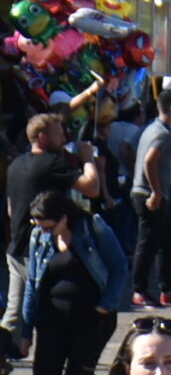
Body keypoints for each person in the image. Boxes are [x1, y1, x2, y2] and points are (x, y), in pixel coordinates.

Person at [25, 189, 130, 375]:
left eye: (47, 225)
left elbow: (119, 267)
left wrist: (106, 305)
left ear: (63, 218)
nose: (42, 230)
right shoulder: (39, 238)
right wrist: (25, 328)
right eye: (38, 225)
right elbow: (32, 283)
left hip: (90, 318)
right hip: (50, 319)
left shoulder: (92, 228)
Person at [7, 113, 103, 340]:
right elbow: (92, 188)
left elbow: (11, 209)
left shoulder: (16, 164)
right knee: (51, 311)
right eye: (58, 133)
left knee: (14, 314)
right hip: (41, 249)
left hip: (16, 246)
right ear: (42, 137)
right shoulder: (52, 163)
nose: (63, 138)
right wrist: (88, 158)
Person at [129, 85, 171, 307]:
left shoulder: (151, 128)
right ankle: (138, 290)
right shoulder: (163, 133)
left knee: (165, 243)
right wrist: (156, 191)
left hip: (148, 192)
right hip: (149, 195)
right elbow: (149, 160)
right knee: (147, 243)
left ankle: (167, 290)